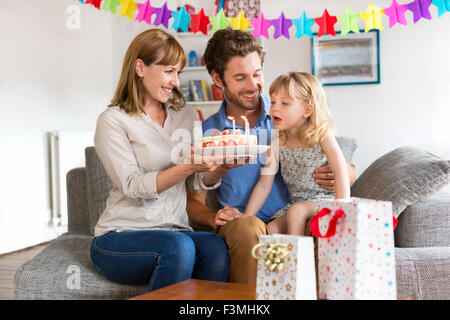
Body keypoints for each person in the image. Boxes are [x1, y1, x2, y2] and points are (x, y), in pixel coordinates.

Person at [186, 28, 357, 285]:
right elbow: (193, 200)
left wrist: (344, 174)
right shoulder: (209, 132)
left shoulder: (289, 111)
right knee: (248, 227)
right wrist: (212, 217)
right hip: (245, 220)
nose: (253, 85)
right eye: (241, 77)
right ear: (217, 80)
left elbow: (341, 166)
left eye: (257, 74)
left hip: (295, 212)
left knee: (311, 222)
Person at [90, 28, 230, 292]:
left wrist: (222, 166)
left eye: (178, 73)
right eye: (168, 71)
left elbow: (197, 183)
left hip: (175, 231)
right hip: (121, 236)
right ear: (140, 67)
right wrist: (187, 166)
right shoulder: (113, 121)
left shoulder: (186, 115)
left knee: (215, 246)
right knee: (179, 247)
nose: (176, 82)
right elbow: (132, 186)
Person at [244, 72, 350, 235]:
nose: (275, 108)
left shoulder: (322, 135)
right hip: (297, 203)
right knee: (272, 229)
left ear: (307, 110)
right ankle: (286, 259)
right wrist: (247, 215)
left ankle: (299, 259)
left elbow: (340, 170)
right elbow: (264, 185)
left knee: (297, 211)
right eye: (273, 102)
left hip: (325, 201)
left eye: (285, 103)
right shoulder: (276, 143)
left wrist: (342, 208)